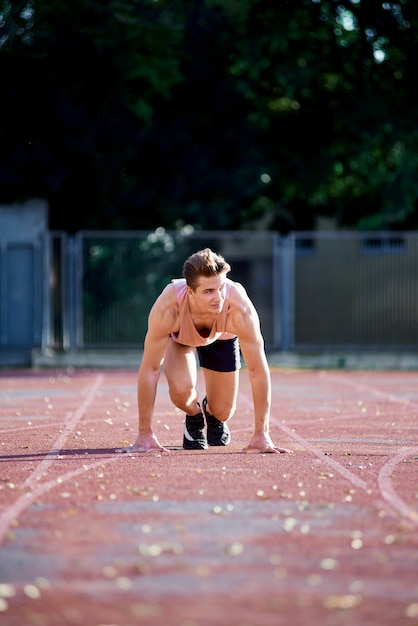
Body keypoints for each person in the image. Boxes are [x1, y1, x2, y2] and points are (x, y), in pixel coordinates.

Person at [119, 247, 293, 454]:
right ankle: (193, 415)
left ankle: (211, 412)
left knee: (224, 411)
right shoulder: (168, 308)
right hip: (182, 338)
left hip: (223, 337)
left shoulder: (239, 309)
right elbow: (150, 370)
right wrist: (144, 434)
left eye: (220, 288)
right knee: (181, 392)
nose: (218, 297)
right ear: (190, 292)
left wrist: (261, 433)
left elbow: (257, 370)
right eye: (208, 291)